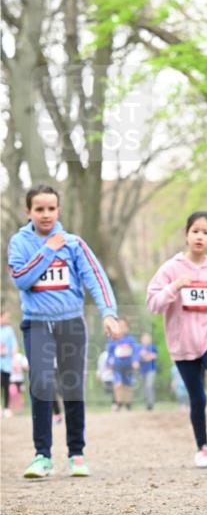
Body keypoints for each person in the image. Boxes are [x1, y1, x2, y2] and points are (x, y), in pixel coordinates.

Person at [8, 184, 119, 478]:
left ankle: (76, 454)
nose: (46, 215)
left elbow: (95, 277)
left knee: (72, 386)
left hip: (71, 322)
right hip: (37, 323)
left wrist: (108, 313)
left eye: (51, 209)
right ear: (28, 212)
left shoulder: (74, 243)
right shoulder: (19, 243)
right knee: (42, 383)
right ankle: (42, 456)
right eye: (39, 209)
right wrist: (47, 250)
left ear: (59, 210)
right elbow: (21, 279)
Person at [147, 210, 207, 468]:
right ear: (186, 235)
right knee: (197, 398)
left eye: (205, 232)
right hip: (182, 344)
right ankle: (203, 448)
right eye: (195, 231)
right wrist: (175, 287)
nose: (199, 236)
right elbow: (153, 303)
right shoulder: (171, 268)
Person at [107, 318, 140, 410]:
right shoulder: (113, 340)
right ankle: (118, 403)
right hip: (117, 365)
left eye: (124, 326)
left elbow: (135, 351)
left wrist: (135, 360)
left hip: (128, 365)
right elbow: (110, 353)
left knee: (128, 384)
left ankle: (128, 404)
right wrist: (109, 365)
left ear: (127, 328)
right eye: (120, 326)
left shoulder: (130, 339)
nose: (122, 328)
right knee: (118, 383)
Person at [0, 308, 18, 417]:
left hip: (6, 363)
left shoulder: (9, 330)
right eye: (6, 317)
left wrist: (15, 360)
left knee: (6, 386)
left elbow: (14, 346)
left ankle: (6, 408)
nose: (7, 319)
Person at [138, 332, 158, 410]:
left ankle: (151, 404)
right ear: (141, 340)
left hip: (151, 369)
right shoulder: (140, 348)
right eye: (144, 339)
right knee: (144, 387)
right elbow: (137, 358)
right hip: (143, 370)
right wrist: (141, 356)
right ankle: (147, 404)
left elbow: (156, 355)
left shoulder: (152, 347)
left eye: (147, 339)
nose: (146, 340)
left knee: (149, 385)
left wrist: (149, 356)